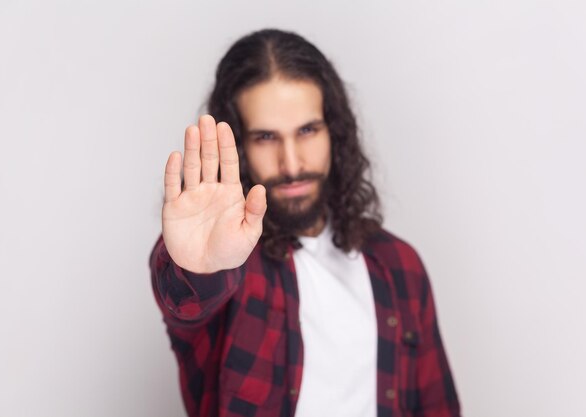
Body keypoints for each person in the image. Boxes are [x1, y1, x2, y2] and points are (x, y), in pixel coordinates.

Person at [150, 29, 460, 417]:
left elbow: (438, 408)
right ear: (240, 146)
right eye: (266, 137)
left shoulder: (399, 265)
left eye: (308, 130)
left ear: (335, 130)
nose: (292, 164)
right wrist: (199, 266)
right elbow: (188, 300)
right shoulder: (229, 263)